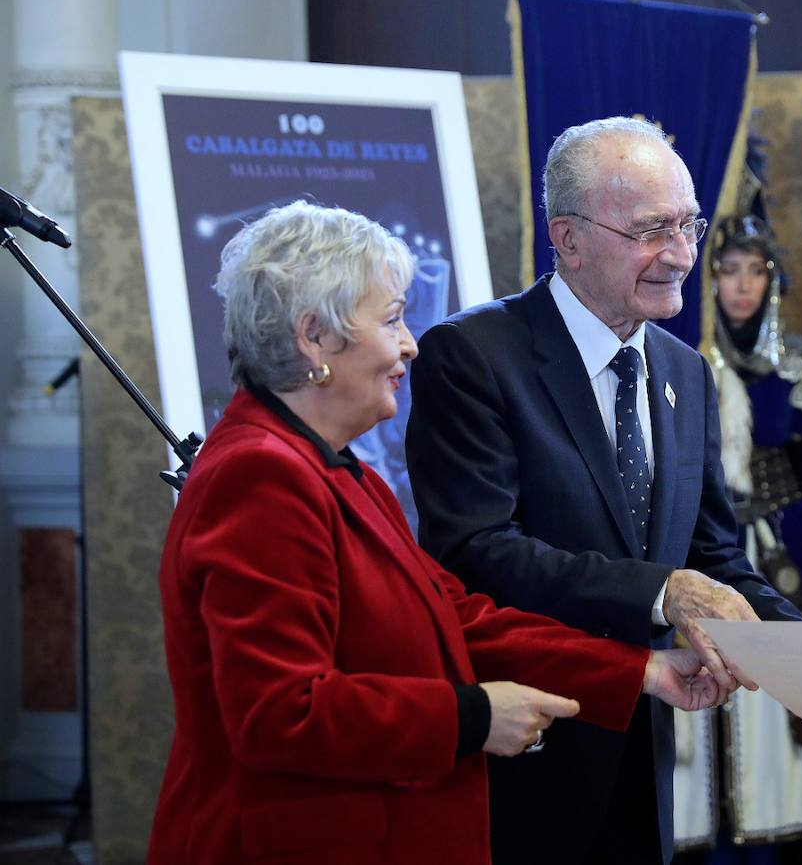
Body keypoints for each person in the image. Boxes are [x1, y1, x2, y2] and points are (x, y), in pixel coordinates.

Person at [149, 201, 727, 865]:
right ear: (314, 335)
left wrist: (641, 670)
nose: (410, 344)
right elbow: (281, 712)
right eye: (391, 318)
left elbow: (458, 620)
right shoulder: (259, 475)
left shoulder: (340, 471)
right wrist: (473, 716)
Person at [406, 116, 802, 865]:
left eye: (688, 225)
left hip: (644, 751)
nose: (683, 255)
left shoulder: (688, 371)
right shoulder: (472, 358)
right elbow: (479, 550)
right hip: (520, 751)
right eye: (653, 229)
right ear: (569, 238)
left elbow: (713, 552)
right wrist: (664, 593)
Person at [673, 214, 802, 860]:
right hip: (699, 550)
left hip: (779, 551)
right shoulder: (683, 357)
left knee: (776, 706)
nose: (741, 286)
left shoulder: (795, 364)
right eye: (728, 270)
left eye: (754, 271)